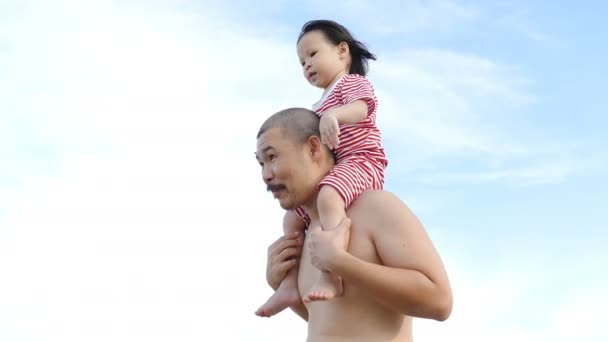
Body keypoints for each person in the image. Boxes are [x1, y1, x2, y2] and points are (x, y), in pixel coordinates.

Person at [255, 108, 453, 341]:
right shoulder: (306, 233)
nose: (266, 175)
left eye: (272, 157)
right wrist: (279, 283)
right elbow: (336, 319)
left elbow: (439, 301)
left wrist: (340, 263)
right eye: (261, 163)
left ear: (313, 148)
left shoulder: (375, 206)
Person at [256, 19, 388, 317]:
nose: (307, 66)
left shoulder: (350, 84)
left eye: (313, 55)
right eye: (302, 62)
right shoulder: (316, 105)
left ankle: (331, 270)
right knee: (291, 219)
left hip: (362, 160)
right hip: (338, 170)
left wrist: (335, 115)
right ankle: (289, 285)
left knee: (328, 197)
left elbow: (363, 108)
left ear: (342, 51)